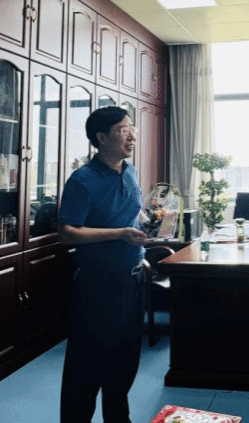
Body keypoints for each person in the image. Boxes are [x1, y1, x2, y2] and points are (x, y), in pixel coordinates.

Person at [57, 106, 147, 423]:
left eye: (132, 128)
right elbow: (67, 233)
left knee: (124, 362)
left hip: (133, 279)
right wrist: (120, 234)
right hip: (98, 284)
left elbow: (132, 212)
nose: (132, 135)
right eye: (124, 130)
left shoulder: (131, 172)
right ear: (102, 138)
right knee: (87, 366)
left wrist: (146, 229)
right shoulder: (83, 180)